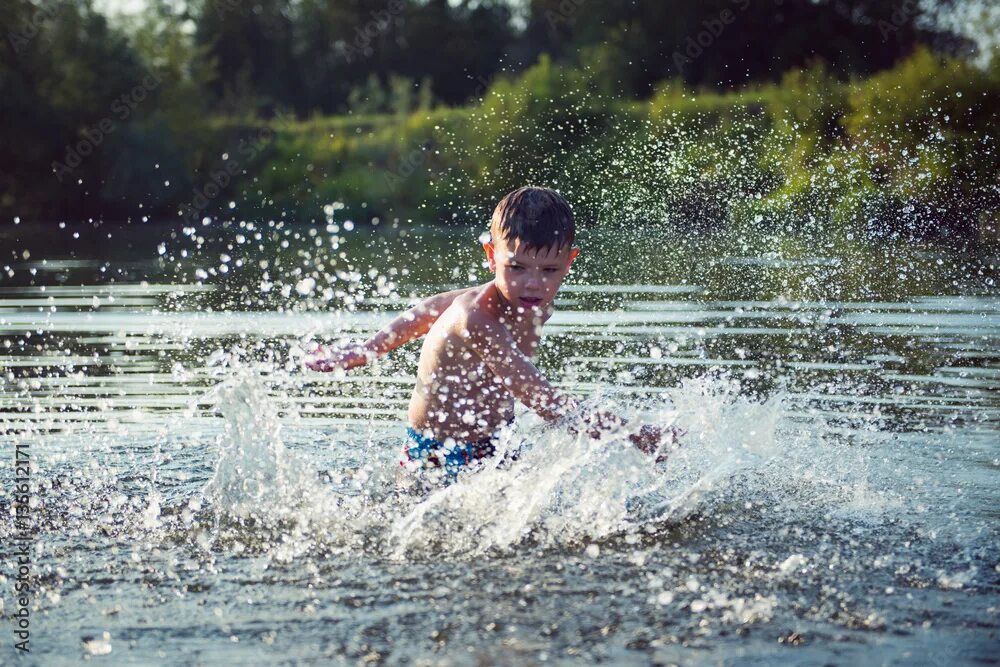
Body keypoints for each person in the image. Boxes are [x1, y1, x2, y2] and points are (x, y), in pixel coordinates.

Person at [306, 186, 676, 480]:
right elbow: (540, 399)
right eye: (516, 267)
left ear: (569, 262)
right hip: (437, 455)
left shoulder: (530, 300)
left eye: (549, 270)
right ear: (491, 256)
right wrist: (633, 434)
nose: (532, 283)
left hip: (498, 444)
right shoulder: (478, 318)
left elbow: (431, 311)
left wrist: (367, 349)